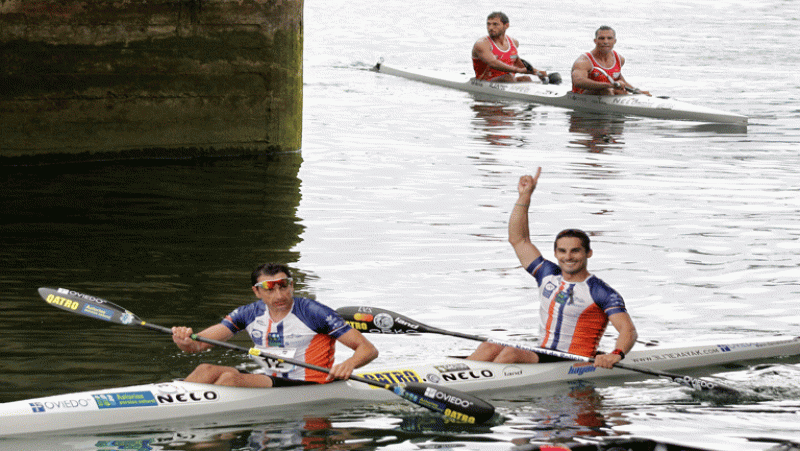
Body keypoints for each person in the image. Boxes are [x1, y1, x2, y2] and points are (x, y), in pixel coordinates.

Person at [467, 169, 638, 369]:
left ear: (588, 253)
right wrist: (524, 196)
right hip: (545, 353)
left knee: (511, 353)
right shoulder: (547, 274)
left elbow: (628, 331)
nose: (568, 257)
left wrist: (615, 355)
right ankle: (449, 382)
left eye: (575, 251)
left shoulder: (600, 291)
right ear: (556, 253)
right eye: (563, 251)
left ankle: (475, 389)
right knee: (489, 346)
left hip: (575, 360)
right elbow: (518, 239)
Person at [172, 263, 379, 387]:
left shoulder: (314, 312)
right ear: (257, 292)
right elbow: (197, 346)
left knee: (229, 379)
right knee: (205, 369)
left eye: (283, 286)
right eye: (269, 289)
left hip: (309, 384)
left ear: (291, 285)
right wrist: (183, 340)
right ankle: (174, 406)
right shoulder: (249, 313)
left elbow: (368, 349)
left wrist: (348, 364)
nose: (279, 295)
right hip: (271, 380)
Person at [571, 26, 650, 96]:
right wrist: (608, 85)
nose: (606, 42)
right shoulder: (584, 61)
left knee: (620, 91)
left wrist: (637, 91)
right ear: (595, 41)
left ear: (614, 41)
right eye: (602, 38)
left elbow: (620, 80)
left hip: (608, 93)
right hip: (582, 96)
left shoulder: (619, 59)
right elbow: (578, 82)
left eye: (609, 38)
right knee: (606, 91)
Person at [472, 12, 547, 83]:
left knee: (526, 78)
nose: (490, 28)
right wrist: (517, 70)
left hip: (508, 80)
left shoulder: (514, 42)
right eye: (488, 24)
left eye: (495, 24)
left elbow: (519, 65)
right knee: (508, 77)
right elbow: (493, 63)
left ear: (506, 26)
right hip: (485, 81)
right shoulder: (482, 44)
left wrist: (537, 72)